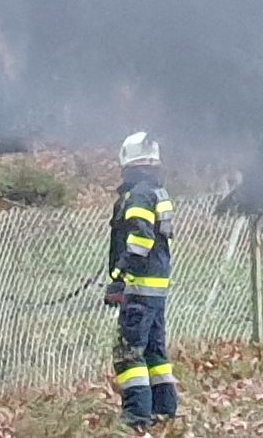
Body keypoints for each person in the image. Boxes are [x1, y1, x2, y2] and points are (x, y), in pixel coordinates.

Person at [104, 131, 180, 435]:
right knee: (154, 351)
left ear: (126, 160)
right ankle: (164, 408)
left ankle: (137, 417)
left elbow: (139, 239)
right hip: (156, 289)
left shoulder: (137, 195)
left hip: (137, 286)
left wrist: (119, 278)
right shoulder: (157, 192)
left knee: (128, 352)